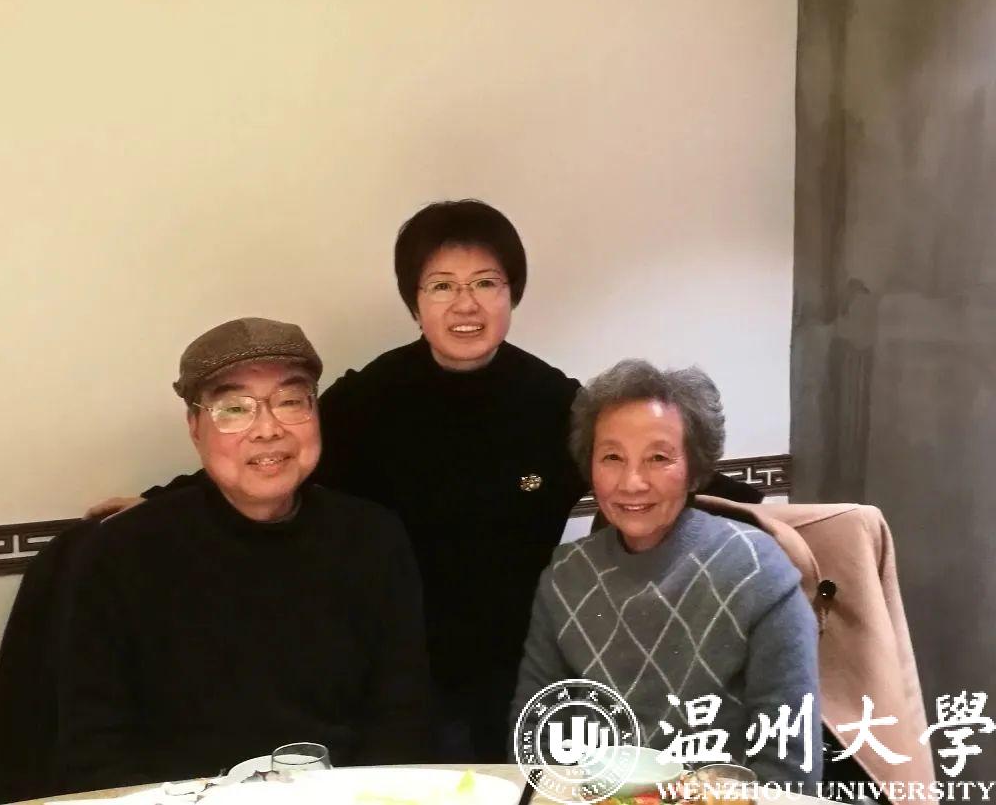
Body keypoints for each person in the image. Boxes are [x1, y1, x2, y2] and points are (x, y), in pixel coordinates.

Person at [85, 200, 761, 762]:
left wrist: (768, 517)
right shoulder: (371, 397)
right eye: (441, 285)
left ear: (512, 295)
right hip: (393, 674)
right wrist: (155, 502)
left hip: (518, 665)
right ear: (415, 302)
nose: (465, 304)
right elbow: (270, 451)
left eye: (486, 283)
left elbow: (652, 466)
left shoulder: (553, 401)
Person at [56, 318, 430, 792]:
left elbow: (401, 720)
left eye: (291, 401)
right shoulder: (121, 553)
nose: (268, 430)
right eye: (234, 409)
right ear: (195, 428)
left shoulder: (372, 538)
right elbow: (95, 749)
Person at [510, 359, 820, 784]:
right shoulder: (565, 575)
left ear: (694, 469)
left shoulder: (757, 571)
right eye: (612, 457)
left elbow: (789, 761)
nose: (632, 482)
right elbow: (536, 730)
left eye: (658, 457)